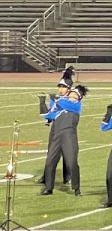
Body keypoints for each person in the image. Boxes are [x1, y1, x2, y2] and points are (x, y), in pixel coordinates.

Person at [38, 68, 84, 196]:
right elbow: (47, 114)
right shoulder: (59, 104)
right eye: (60, 86)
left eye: (64, 87)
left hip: (69, 137)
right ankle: (48, 187)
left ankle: (76, 188)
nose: (61, 89)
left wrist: (55, 99)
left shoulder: (76, 104)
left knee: (71, 162)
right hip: (57, 136)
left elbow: (64, 103)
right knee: (50, 162)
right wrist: (42, 102)